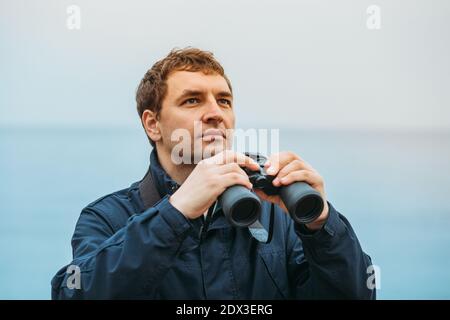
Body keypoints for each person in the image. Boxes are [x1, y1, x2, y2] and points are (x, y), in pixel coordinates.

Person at [51, 48, 376, 299]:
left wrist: (321, 227)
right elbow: (73, 292)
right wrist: (175, 212)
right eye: (192, 101)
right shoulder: (107, 217)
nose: (215, 114)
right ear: (153, 124)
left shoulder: (276, 213)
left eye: (224, 101)